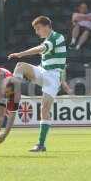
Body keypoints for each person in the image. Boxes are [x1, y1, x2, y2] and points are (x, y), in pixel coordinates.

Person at [8, 16, 67, 152]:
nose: (36, 32)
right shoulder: (48, 39)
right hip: (43, 71)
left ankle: (41, 144)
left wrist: (21, 53)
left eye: (38, 28)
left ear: (47, 26)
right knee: (20, 66)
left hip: (53, 77)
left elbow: (41, 49)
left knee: (44, 109)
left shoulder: (57, 37)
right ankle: (12, 97)